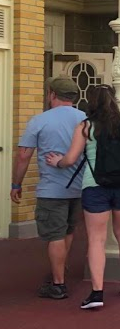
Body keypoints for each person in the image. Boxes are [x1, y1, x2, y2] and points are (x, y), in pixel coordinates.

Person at [46, 85, 120, 310]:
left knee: (96, 239)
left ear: (91, 102)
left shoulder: (86, 126)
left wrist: (56, 161)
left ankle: (97, 292)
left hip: (95, 186)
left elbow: (70, 159)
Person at [12, 76, 86, 300]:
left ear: (52, 94)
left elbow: (24, 155)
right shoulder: (86, 118)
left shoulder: (39, 120)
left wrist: (16, 183)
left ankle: (58, 284)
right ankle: (60, 268)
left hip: (52, 189)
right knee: (68, 230)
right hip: (79, 186)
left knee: (54, 234)